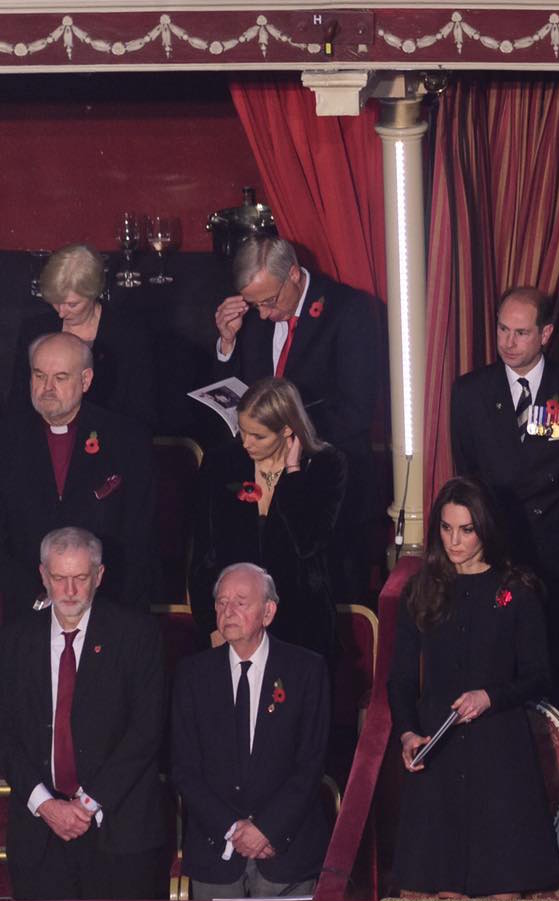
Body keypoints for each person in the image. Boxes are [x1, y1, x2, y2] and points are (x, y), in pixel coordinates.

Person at [388, 478, 559, 898]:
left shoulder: (516, 591)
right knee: (436, 889)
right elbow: (402, 679)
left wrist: (490, 696)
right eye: (446, 529)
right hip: (439, 745)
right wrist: (409, 732)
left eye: (466, 530)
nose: (454, 541)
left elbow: (540, 674)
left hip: (498, 751)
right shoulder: (421, 590)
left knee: (501, 890)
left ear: (485, 528)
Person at [212, 237, 386, 598]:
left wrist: (285, 434)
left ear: (293, 275)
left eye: (270, 302)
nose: (262, 315)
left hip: (330, 490)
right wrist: (227, 343)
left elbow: (355, 409)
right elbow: (242, 388)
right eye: (255, 304)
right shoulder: (259, 312)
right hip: (263, 489)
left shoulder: (348, 310)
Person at [0, 527, 166, 900]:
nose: (70, 591)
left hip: (120, 834)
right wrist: (45, 804)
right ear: (43, 575)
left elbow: (146, 731)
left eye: (80, 578)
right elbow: (4, 733)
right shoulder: (14, 641)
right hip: (39, 837)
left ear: (100, 576)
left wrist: (86, 804)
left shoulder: (137, 635)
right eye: (59, 579)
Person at [450, 286, 559, 638]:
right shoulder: (469, 393)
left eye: (521, 332)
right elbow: (467, 469)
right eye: (502, 329)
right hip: (499, 544)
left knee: (558, 643)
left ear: (545, 333)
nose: (508, 342)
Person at [169, 563, 332, 899]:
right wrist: (231, 829)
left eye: (241, 602)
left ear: (268, 612)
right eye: (221, 602)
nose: (228, 611)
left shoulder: (306, 670)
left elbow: (310, 764)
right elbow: (184, 768)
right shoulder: (192, 674)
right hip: (216, 855)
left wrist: (267, 829)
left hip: (284, 853)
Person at [0, 332, 156, 621]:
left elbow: (139, 537)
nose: (46, 388)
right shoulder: (7, 438)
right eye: (39, 376)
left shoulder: (127, 440)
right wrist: (36, 598)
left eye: (60, 378)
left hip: (107, 606)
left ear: (85, 380)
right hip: (23, 610)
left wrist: (108, 608)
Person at [187, 378, 346, 657]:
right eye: (242, 431)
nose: (246, 443)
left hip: (301, 623)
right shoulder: (222, 462)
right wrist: (212, 624)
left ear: (287, 430)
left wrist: (293, 471)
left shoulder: (326, 466)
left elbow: (308, 542)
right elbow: (203, 551)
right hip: (232, 622)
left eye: (258, 436)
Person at [12, 244, 157, 428]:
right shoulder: (35, 329)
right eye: (56, 302)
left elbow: (140, 410)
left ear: (94, 293)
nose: (61, 313)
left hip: (109, 438)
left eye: (72, 304)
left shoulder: (129, 334)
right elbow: (18, 403)